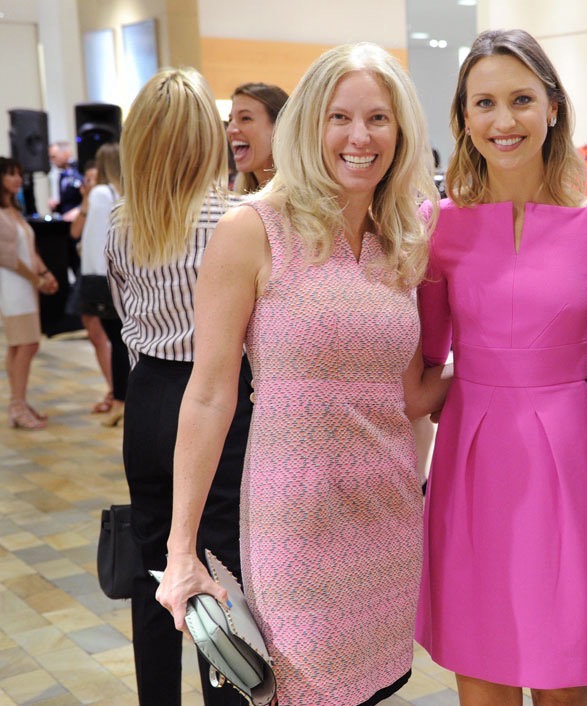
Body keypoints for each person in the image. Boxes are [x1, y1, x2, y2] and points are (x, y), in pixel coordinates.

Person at [155, 44, 448, 706]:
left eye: (378, 118)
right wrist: (182, 550)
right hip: (298, 517)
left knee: (374, 690)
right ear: (309, 124)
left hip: (390, 513)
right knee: (297, 688)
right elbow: (206, 395)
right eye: (339, 117)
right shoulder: (252, 228)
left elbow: (409, 396)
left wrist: (508, 378)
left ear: (400, 132)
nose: (359, 137)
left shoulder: (400, 240)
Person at [415, 28, 587, 706]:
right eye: (483, 103)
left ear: (552, 108)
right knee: (480, 666)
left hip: (568, 460)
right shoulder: (437, 226)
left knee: (564, 668)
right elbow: (421, 374)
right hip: (472, 460)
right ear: (463, 119)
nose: (502, 121)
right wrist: (475, 379)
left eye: (520, 100)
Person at [105, 67, 250, 706]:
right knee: (220, 562)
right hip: (223, 397)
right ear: (204, 136)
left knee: (152, 561)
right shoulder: (239, 217)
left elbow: (124, 317)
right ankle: (226, 694)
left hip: (149, 394)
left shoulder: (121, 220)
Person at [0, 157, 58, 430]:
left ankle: (19, 402)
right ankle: (17, 405)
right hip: (12, 285)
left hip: (24, 284)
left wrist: (45, 274)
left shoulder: (13, 209)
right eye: (10, 174)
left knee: (21, 344)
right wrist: (36, 279)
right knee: (26, 343)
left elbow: (29, 250)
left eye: (18, 174)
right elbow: (8, 256)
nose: (16, 179)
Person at [78, 143, 128, 426]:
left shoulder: (99, 194)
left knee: (114, 339)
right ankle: (120, 397)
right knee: (120, 338)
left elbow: (94, 236)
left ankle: (119, 398)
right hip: (115, 274)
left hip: (99, 275)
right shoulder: (121, 194)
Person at [227, 82, 289, 194]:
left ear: (279, 127)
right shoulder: (237, 197)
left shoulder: (305, 201)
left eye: (245, 118)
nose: (230, 130)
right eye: (230, 120)